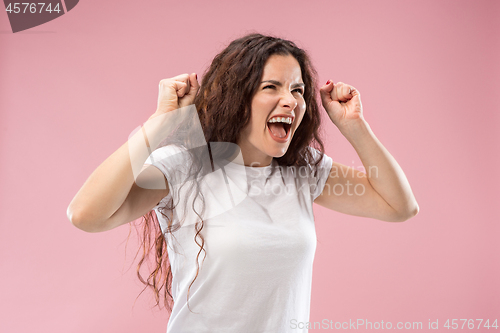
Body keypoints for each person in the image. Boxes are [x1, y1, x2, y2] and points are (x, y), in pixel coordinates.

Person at [67, 33, 419, 333]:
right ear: (237, 98)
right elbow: (86, 214)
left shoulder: (302, 169)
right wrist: (161, 122)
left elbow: (399, 206)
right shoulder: (185, 167)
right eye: (271, 87)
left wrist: (354, 126)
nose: (291, 101)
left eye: (297, 90)